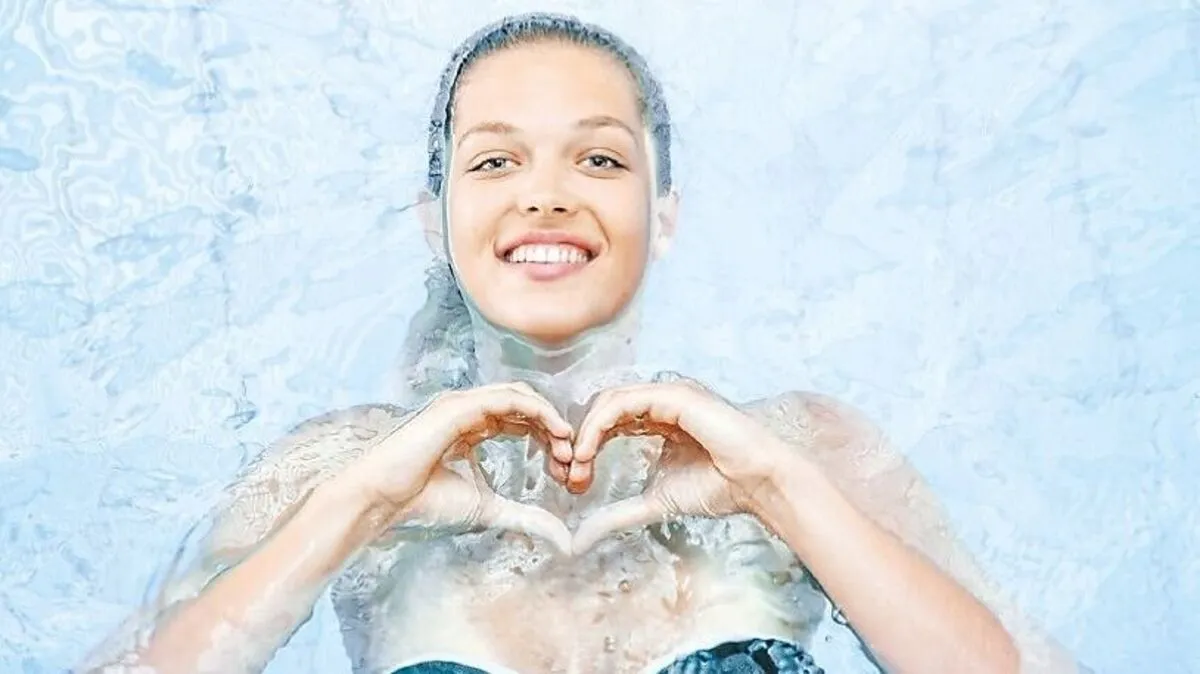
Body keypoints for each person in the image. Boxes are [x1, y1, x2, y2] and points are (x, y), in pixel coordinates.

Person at [80, 12, 1085, 674]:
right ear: (435, 219)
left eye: (598, 158)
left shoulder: (805, 448)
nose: (546, 194)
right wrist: (359, 507)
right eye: (495, 161)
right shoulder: (331, 468)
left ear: (667, 214)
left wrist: (778, 488)